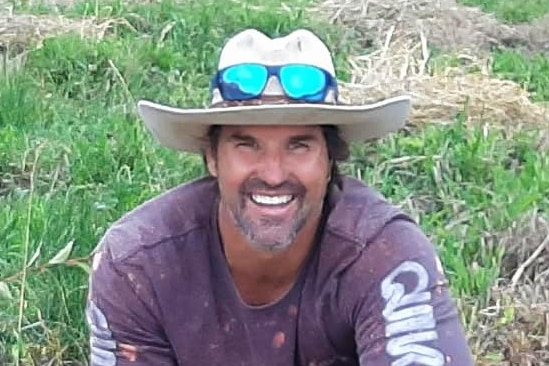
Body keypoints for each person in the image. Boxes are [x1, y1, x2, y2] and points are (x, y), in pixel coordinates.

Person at [85, 28, 475, 366]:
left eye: (298, 146)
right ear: (212, 158)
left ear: (331, 160)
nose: (273, 174)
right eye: (247, 145)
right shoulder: (137, 266)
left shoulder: (386, 257)